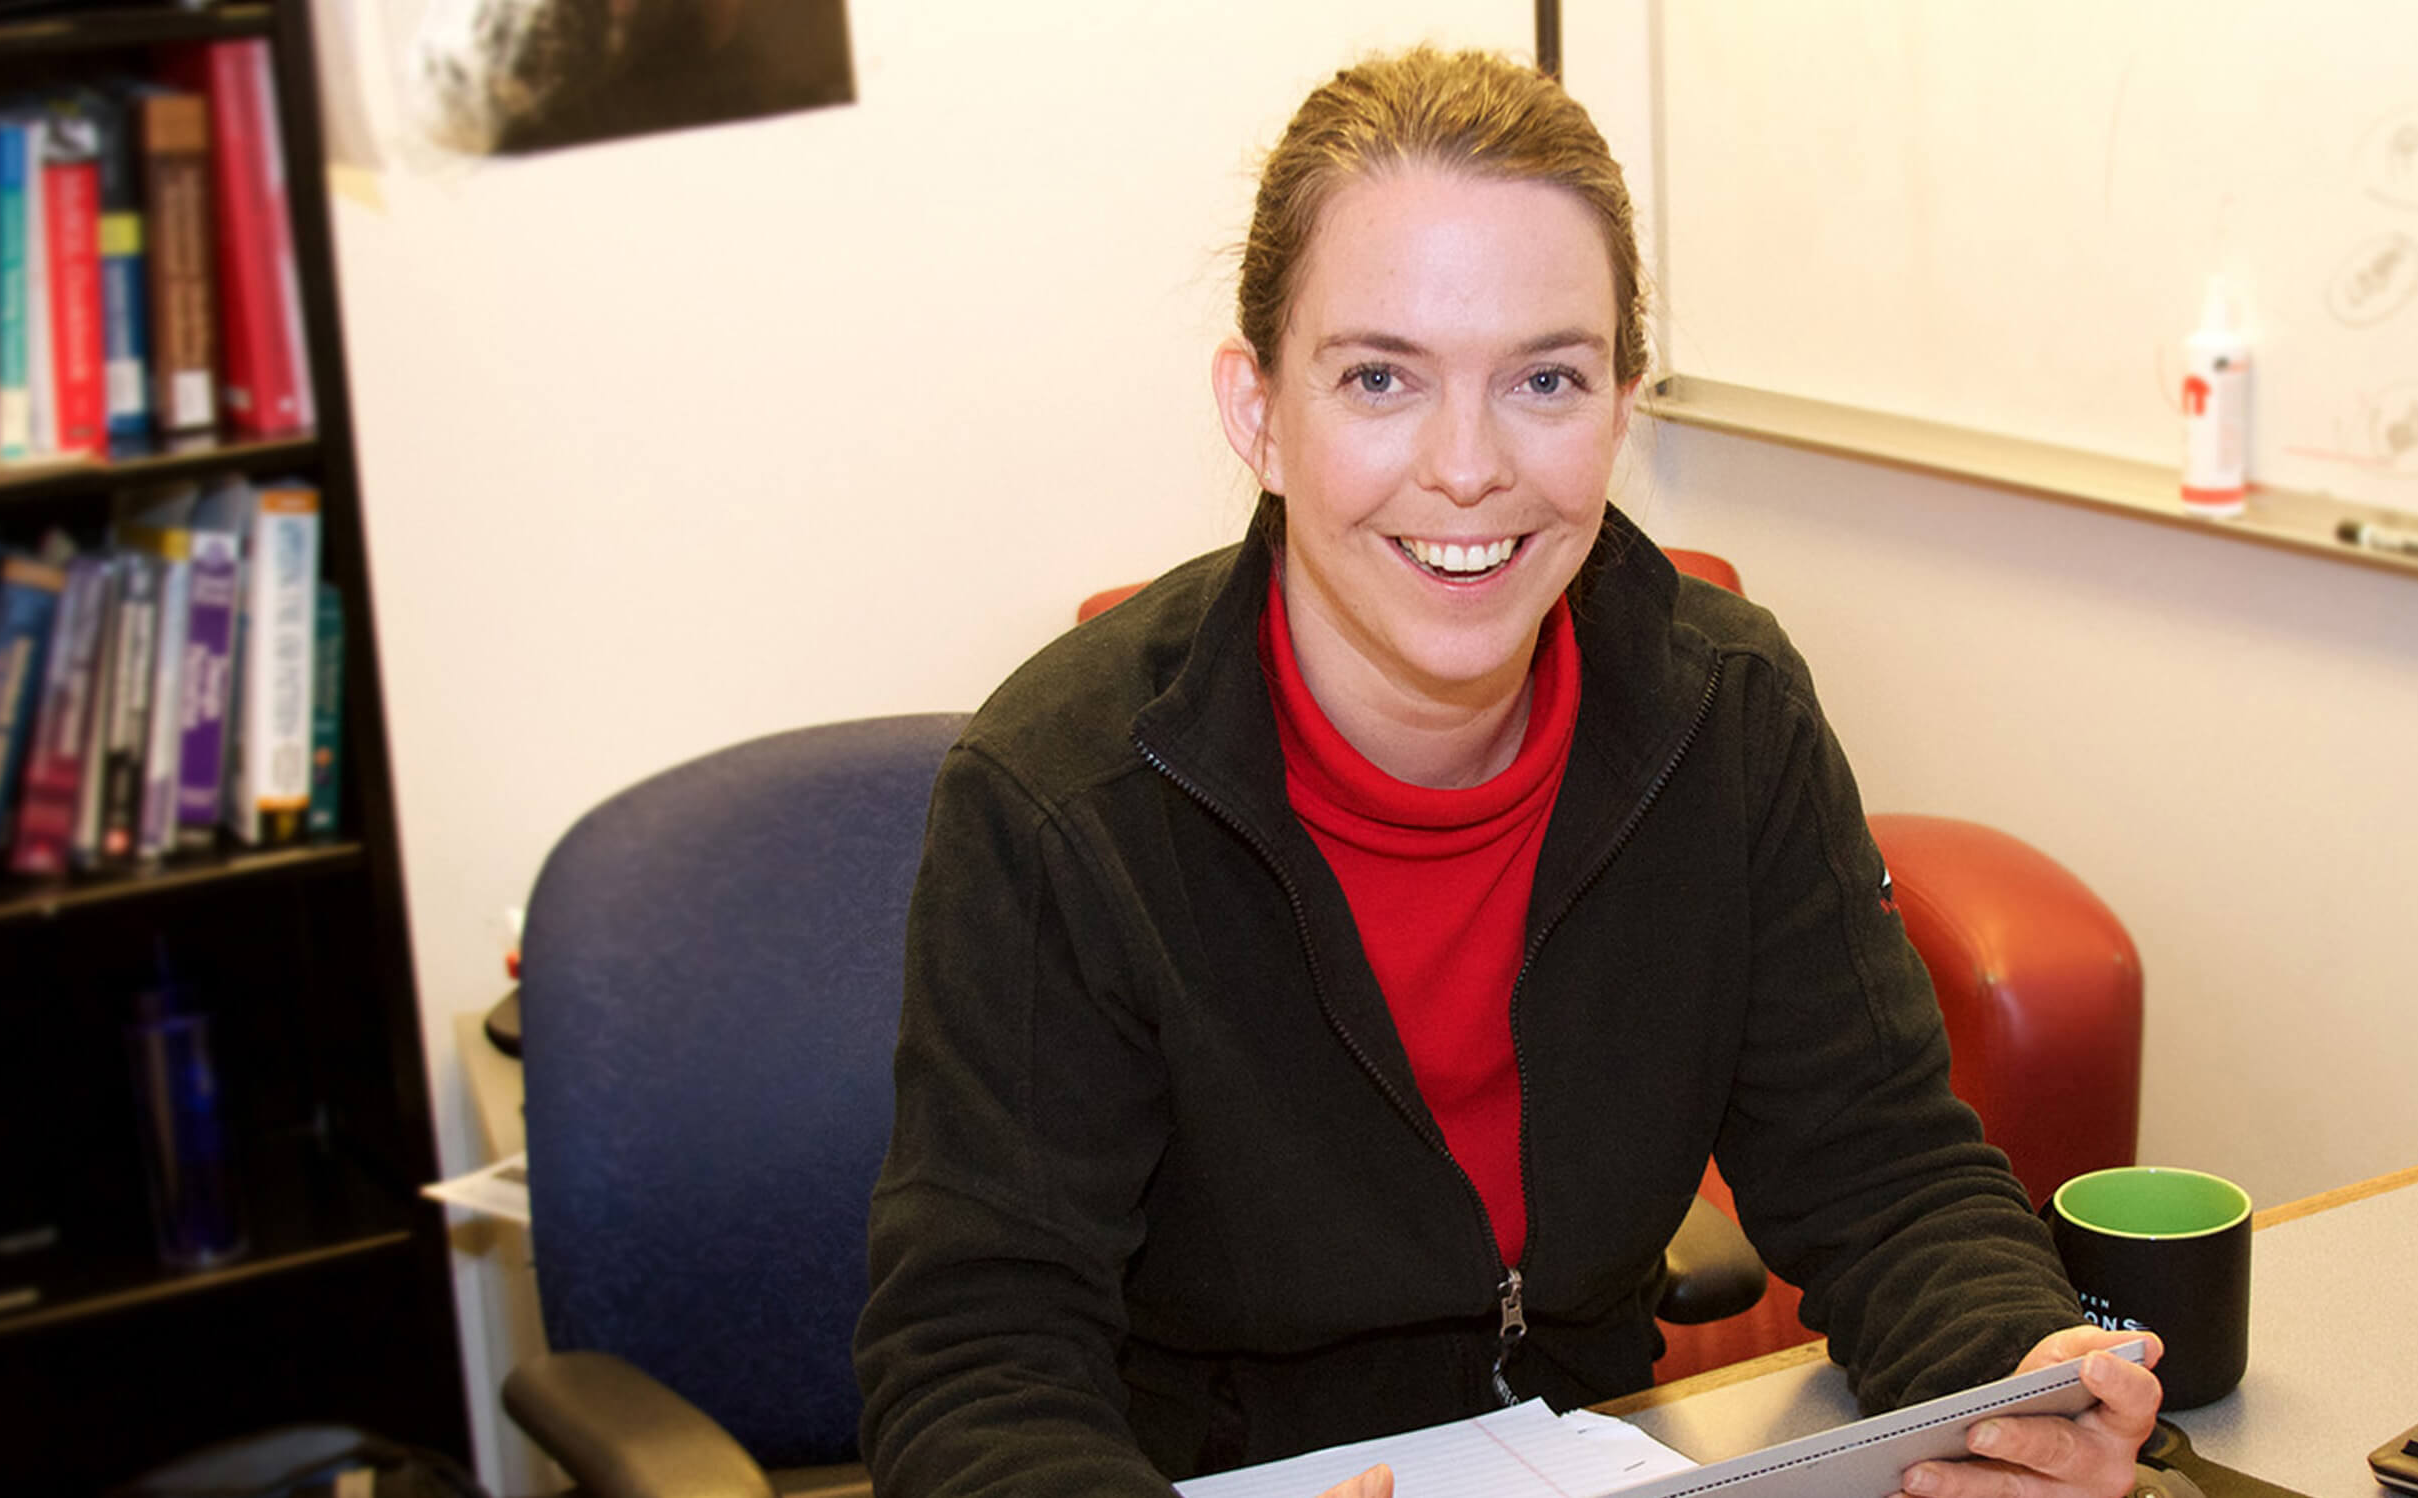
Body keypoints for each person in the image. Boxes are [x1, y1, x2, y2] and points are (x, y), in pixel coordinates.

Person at [853, 45, 2161, 1498]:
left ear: (1619, 407)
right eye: (1378, 377)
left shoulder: (1726, 713)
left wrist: (2021, 1372)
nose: (1468, 467)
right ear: (1258, 413)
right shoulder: (1059, 797)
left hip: (1596, 1454)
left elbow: (1887, 1176)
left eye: (1545, 376)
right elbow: (976, 1366)